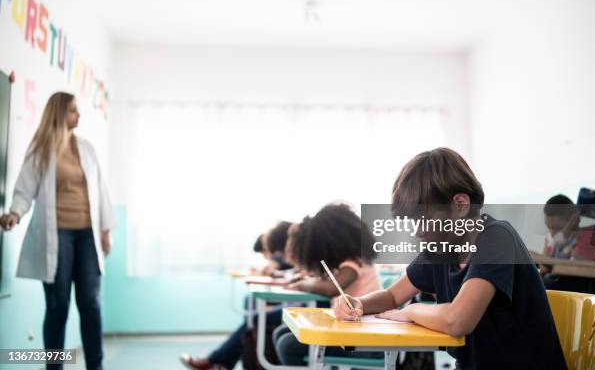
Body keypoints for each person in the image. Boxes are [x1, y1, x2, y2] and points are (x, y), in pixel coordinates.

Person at [333, 147, 567, 370]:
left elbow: (458, 321)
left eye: (423, 219)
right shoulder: (441, 250)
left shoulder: (497, 238)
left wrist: (410, 312)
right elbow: (393, 295)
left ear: (461, 205)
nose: (417, 231)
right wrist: (359, 303)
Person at [0, 92, 116, 370]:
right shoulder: (41, 149)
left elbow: (99, 190)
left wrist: (105, 230)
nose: (78, 115)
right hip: (56, 236)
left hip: (87, 236)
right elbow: (24, 187)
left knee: (91, 304)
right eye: (73, 110)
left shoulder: (86, 148)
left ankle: (95, 366)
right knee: (58, 305)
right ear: (59, 113)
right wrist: (15, 213)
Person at [273, 204, 382, 366]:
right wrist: (306, 282)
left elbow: (330, 288)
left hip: (366, 342)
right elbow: (324, 282)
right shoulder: (349, 261)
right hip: (353, 332)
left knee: (287, 345)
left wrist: (304, 284)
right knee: (282, 333)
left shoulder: (354, 262)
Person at [180, 221, 293, 370]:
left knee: (255, 317)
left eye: (271, 252)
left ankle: (217, 361)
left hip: (302, 305)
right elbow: (292, 275)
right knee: (251, 305)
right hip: (295, 300)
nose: (270, 256)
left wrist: (279, 273)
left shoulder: (302, 256)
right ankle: (223, 361)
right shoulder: (292, 257)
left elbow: (299, 278)